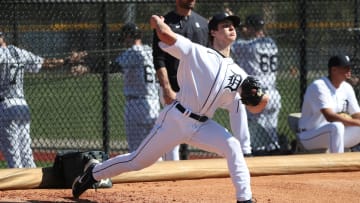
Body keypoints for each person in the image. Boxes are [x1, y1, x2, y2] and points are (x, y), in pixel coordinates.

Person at [72, 13, 270, 203]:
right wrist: (157, 22)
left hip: (202, 126)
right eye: (225, 25)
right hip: (176, 119)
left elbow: (253, 107)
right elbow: (166, 36)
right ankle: (94, 173)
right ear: (213, 32)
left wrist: (261, 100)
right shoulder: (198, 52)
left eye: (233, 25)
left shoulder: (239, 73)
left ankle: (245, 199)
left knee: (232, 146)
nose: (231, 28)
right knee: (138, 161)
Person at [0, 31, 81, 168]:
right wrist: (67, 60)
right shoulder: (17, 52)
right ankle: (33, 184)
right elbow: (45, 63)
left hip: (5, 105)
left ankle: (19, 185)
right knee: (26, 151)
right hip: (22, 105)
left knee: (13, 154)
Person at [152, 0, 208, 160]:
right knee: (172, 131)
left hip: (196, 88)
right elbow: (159, 59)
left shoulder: (203, 23)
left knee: (196, 127)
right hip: (173, 86)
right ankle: (172, 173)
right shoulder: (165, 22)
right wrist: (166, 88)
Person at [232, 14, 281, 152]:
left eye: (247, 27)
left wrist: (233, 24)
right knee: (271, 132)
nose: (244, 30)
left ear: (252, 28)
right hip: (274, 93)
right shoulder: (271, 43)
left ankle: (260, 156)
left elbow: (229, 44)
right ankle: (274, 151)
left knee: (257, 135)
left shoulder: (248, 46)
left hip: (257, 93)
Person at [298, 54, 360, 153]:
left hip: (334, 133)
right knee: (337, 126)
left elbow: (357, 115)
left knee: (345, 128)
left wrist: (356, 122)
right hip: (310, 134)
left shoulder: (347, 87)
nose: (349, 70)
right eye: (345, 67)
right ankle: (338, 164)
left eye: (349, 67)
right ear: (334, 70)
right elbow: (330, 116)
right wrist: (355, 122)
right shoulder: (319, 86)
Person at [115, 23, 161, 153]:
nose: (124, 42)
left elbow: (113, 66)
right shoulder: (150, 50)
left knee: (136, 151)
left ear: (129, 36)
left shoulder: (133, 52)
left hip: (136, 105)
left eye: (124, 38)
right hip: (154, 103)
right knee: (155, 149)